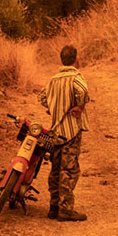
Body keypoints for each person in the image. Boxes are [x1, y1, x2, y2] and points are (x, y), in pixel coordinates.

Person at [38, 44, 89, 221]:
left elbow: (42, 97)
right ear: (76, 59)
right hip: (71, 130)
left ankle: (53, 207)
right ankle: (65, 209)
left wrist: (53, 107)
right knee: (69, 169)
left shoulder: (53, 79)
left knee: (55, 168)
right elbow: (83, 91)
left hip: (56, 131)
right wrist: (80, 106)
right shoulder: (76, 77)